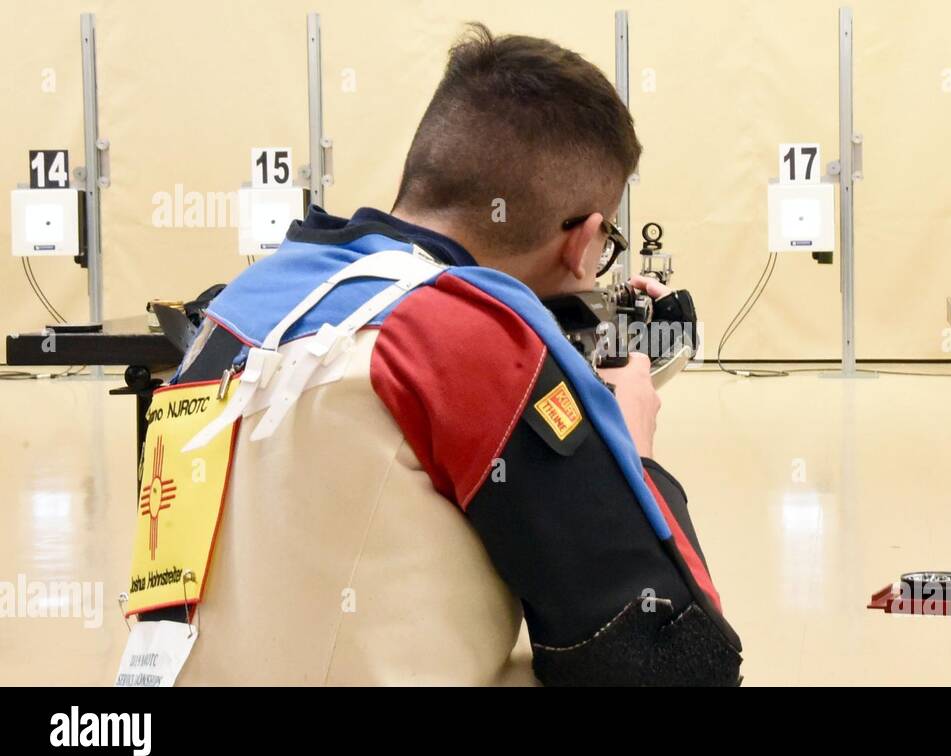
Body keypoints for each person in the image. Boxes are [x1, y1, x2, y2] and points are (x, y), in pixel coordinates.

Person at [139, 23, 741, 686]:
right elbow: (678, 658)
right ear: (585, 240)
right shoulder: (469, 338)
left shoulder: (234, 311)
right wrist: (635, 447)